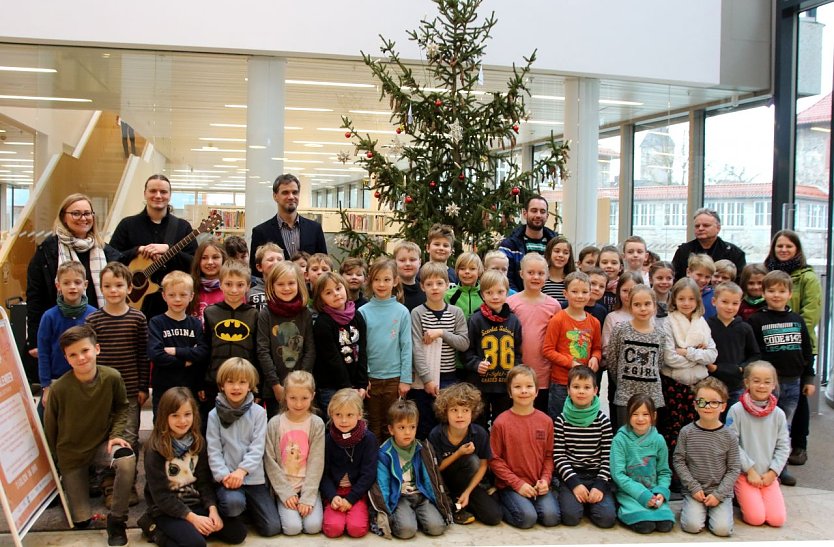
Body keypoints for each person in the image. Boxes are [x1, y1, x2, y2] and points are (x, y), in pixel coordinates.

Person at [44, 325, 136, 546]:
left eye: (84, 351)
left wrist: (115, 434)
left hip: (101, 446)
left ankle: (117, 520)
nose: (81, 358)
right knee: (81, 520)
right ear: (66, 359)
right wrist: (56, 466)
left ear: (97, 349)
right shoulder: (59, 389)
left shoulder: (112, 377)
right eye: (73, 355)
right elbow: (50, 429)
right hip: (71, 455)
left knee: (126, 459)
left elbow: (123, 407)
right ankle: (82, 483)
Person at [142, 387, 247, 547]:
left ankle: (190, 529)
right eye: (175, 415)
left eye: (187, 414)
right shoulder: (154, 449)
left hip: (194, 503)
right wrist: (192, 519)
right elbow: (161, 496)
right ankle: (154, 530)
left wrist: (212, 510)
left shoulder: (198, 442)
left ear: (194, 414)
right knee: (196, 544)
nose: (182, 421)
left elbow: (204, 482)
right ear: (164, 417)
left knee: (238, 533)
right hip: (167, 509)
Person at [85, 262, 149, 506]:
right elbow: (90, 358)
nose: (113, 290)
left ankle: (128, 484)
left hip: (130, 391)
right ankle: (108, 484)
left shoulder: (137, 318)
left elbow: (143, 355)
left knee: (129, 437)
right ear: (100, 288)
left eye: (119, 285)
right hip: (101, 393)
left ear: (129, 287)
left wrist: (143, 387)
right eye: (108, 286)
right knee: (104, 437)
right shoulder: (94, 320)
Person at [27, 193, 121, 357]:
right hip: (60, 332)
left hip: (99, 334)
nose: (83, 218)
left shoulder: (106, 251)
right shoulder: (48, 251)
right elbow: (35, 297)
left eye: (87, 213)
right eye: (76, 213)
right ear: (64, 217)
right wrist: (36, 341)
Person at [747, 270, 815, 486]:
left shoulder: (797, 320)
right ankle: (759, 466)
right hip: (767, 385)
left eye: (781, 291)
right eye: (771, 290)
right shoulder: (757, 320)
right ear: (764, 292)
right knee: (764, 426)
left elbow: (806, 351)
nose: (776, 295)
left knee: (784, 427)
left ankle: (780, 468)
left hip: (793, 382)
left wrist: (809, 378)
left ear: (789, 293)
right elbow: (754, 353)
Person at [764, 229, 822, 468]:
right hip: (771, 346)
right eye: (780, 246)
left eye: (788, 246)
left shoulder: (807, 277)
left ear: (797, 249)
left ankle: (798, 444)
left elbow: (811, 312)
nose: (784, 250)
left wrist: (790, 330)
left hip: (798, 343)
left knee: (798, 400)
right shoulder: (768, 272)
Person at [206, 358, 281, 537]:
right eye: (230, 382)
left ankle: (248, 509)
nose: (236, 387)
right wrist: (225, 476)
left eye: (242, 382)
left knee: (272, 528)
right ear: (222, 385)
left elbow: (258, 447)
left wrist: (242, 471)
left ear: (250, 385)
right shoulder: (214, 415)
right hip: (227, 479)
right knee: (233, 505)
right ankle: (233, 508)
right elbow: (214, 450)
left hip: (253, 478)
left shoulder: (259, 413)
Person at [110, 174, 196, 319]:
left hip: (174, 305)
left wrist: (169, 250)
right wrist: (136, 251)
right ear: (145, 193)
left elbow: (194, 262)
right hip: (134, 303)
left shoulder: (183, 227)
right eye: (153, 191)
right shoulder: (127, 225)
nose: (158, 195)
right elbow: (111, 259)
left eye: (163, 192)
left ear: (170, 195)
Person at [489, 366, 560, 529]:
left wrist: (545, 480)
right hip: (511, 485)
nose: (524, 391)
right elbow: (494, 459)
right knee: (527, 519)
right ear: (509, 392)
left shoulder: (546, 421)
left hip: (537, 482)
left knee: (551, 518)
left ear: (536, 391)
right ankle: (502, 501)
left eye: (529, 386)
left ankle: (530, 502)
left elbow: (549, 456)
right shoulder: (501, 423)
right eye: (517, 387)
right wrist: (517, 484)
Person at [673, 377, 740, 537]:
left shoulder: (729, 435)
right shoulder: (687, 432)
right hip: (695, 492)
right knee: (692, 526)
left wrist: (718, 495)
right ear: (695, 405)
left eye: (713, 402)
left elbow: (734, 468)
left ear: (723, 406)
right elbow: (679, 461)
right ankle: (695, 509)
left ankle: (714, 510)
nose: (707, 407)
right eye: (702, 402)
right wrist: (693, 488)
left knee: (722, 530)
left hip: (720, 492)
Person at [429, 383, 503, 526]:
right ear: (445, 412)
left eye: (465, 410)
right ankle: (453, 504)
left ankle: (464, 500)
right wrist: (459, 453)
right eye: (454, 410)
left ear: (472, 412)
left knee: (494, 517)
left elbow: (483, 466)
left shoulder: (479, 433)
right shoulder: (436, 434)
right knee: (470, 460)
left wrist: (468, 492)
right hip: (442, 483)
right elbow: (435, 469)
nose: (460, 415)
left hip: (468, 483)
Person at [726, 361, 790, 527]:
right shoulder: (736, 410)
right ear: (747, 383)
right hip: (746, 474)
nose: (762, 386)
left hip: (768, 475)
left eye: (767, 382)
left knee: (777, 520)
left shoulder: (779, 414)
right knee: (756, 519)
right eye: (756, 381)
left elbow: (784, 446)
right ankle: (741, 496)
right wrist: (750, 470)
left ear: (774, 384)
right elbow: (732, 443)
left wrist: (773, 472)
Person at [376, 399, 452, 539]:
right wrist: (385, 513)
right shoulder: (384, 453)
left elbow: (432, 479)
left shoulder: (422, 448)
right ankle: (408, 519)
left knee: (437, 528)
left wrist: (441, 503)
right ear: (391, 429)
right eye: (402, 427)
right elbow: (383, 486)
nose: (408, 432)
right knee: (406, 531)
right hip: (400, 498)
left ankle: (416, 517)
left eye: (412, 427)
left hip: (421, 495)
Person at [409, 262, 469, 439]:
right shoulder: (417, 313)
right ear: (422, 286)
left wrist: (441, 333)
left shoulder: (456, 313)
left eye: (439, 283)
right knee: (424, 425)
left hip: (448, 377)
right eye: (429, 284)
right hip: (423, 380)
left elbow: (464, 343)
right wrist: (427, 379)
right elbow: (416, 348)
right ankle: (425, 463)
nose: (434, 288)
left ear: (447, 285)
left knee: (445, 425)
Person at [553, 366, 616, 528]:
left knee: (606, 519)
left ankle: (591, 501)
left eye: (586, 387)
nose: (581, 392)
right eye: (576, 387)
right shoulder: (561, 421)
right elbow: (559, 456)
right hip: (572, 476)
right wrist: (575, 484)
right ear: (568, 390)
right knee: (570, 518)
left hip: (596, 476)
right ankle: (578, 501)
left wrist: (600, 486)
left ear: (595, 390)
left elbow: (608, 456)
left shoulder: (603, 421)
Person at [659, 278, 717, 456]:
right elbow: (670, 358)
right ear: (674, 299)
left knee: (697, 427)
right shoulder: (668, 322)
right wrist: (699, 356)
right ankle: (674, 475)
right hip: (674, 383)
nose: (686, 303)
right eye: (681, 298)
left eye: (691, 299)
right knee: (674, 429)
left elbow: (712, 354)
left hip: (698, 383)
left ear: (697, 300)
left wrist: (687, 352)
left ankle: (695, 470)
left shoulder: (701, 322)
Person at [264, 371, 325, 535]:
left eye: (304, 398)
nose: (298, 404)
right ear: (285, 396)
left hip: (307, 487)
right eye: (293, 398)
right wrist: (285, 493)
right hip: (285, 488)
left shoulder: (316, 424)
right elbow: (270, 461)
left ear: (312, 396)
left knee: (313, 527)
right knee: (292, 528)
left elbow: (316, 461)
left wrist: (308, 496)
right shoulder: (275, 423)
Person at [359, 257, 413, 442]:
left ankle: (389, 464)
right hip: (371, 379)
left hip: (394, 379)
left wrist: (405, 379)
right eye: (377, 279)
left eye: (387, 279)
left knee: (391, 424)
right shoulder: (363, 312)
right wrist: (363, 377)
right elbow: (361, 348)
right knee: (373, 424)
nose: (381, 284)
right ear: (369, 281)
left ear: (395, 281)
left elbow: (406, 346)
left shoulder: (402, 312)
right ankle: (373, 467)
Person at [200, 260, 259, 425]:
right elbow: (206, 348)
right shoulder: (211, 312)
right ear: (221, 285)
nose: (234, 290)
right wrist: (201, 383)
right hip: (214, 380)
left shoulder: (254, 314)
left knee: (244, 425)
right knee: (213, 424)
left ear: (248, 286)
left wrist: (258, 385)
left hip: (245, 381)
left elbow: (257, 351)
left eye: (240, 285)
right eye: (229, 284)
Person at [463, 270, 523, 427]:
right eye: (489, 292)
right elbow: (466, 351)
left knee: (502, 423)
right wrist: (476, 364)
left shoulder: (514, 320)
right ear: (482, 295)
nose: (495, 297)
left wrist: (514, 370)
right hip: (480, 384)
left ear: (507, 293)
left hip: (504, 385)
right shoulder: (475, 320)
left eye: (500, 292)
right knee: (479, 423)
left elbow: (517, 352)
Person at [37, 261, 97, 416]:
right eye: (66, 283)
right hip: (56, 380)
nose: (72, 287)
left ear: (85, 284)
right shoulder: (49, 317)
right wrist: (46, 386)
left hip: (87, 381)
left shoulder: (94, 315)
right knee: (46, 421)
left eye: (77, 282)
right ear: (58, 286)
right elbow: (43, 353)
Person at [609, 394, 675, 534]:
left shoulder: (658, 440)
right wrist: (642, 494)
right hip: (630, 493)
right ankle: (624, 510)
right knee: (645, 526)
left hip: (653, 492)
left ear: (654, 415)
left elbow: (664, 471)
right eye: (635, 414)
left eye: (645, 414)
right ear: (628, 415)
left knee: (665, 524)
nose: (640, 419)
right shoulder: (620, 440)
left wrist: (660, 492)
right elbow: (618, 474)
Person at [256, 261, 315, 417]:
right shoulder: (265, 314)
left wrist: (300, 383)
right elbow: (263, 351)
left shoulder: (305, 313)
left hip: (301, 388)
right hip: (274, 388)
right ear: (271, 286)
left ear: (299, 284)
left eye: (291, 283)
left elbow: (310, 349)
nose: (286, 288)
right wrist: (276, 385)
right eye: (280, 284)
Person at [147, 271, 208, 417]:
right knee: (163, 424)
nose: (177, 299)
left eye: (183, 295)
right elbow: (156, 354)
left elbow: (202, 352)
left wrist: (175, 351)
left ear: (191, 296)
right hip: (164, 385)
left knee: (189, 423)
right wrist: (185, 362)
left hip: (189, 385)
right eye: (172, 295)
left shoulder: (195, 323)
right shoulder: (156, 322)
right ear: (164, 296)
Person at [542, 271, 602, 419]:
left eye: (584, 292)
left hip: (585, 383)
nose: (580, 296)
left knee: (583, 420)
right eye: (574, 291)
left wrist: (595, 358)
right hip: (562, 383)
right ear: (565, 293)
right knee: (560, 420)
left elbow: (597, 348)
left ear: (590, 294)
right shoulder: (558, 320)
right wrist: (571, 363)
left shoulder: (594, 322)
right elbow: (548, 350)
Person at [605, 285, 666, 427]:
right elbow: (613, 361)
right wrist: (622, 382)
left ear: (654, 306)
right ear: (630, 306)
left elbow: (659, 363)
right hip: (625, 397)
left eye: (647, 304)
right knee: (625, 438)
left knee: (647, 440)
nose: (643, 308)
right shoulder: (621, 329)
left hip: (652, 397)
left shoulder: (660, 334)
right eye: (637, 304)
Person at [507, 253, 561, 412]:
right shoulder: (510, 303)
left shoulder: (554, 305)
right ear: (521, 274)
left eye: (540, 273)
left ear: (547, 275)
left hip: (543, 374)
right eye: (530, 273)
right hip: (515, 370)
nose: (535, 277)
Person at [321, 389, 378, 538]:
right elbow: (323, 474)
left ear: (359, 415)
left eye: (349, 415)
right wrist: (332, 496)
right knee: (333, 529)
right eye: (338, 415)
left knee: (357, 529)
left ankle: (358, 510)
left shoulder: (369, 439)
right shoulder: (327, 440)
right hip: (335, 493)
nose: (343, 420)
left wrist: (351, 498)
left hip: (357, 493)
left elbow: (369, 474)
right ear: (331, 415)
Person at [311, 272, 368, 411]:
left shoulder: (357, 315)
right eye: (328, 292)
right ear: (321, 299)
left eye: (338, 288)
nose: (336, 294)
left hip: (355, 385)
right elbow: (332, 359)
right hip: (331, 387)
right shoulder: (323, 323)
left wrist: (362, 384)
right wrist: (348, 388)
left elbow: (362, 350)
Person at [249, 173, 327, 274]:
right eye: (285, 193)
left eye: (295, 192)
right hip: (275, 288)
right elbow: (256, 272)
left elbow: (324, 263)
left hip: (308, 288)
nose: (291, 197)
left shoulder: (314, 228)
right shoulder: (261, 232)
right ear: (275, 196)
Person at [706, 281, 760, 413]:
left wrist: (742, 368)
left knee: (734, 420)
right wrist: (709, 366)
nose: (729, 307)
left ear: (740, 304)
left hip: (736, 385)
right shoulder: (705, 326)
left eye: (735, 303)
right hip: (712, 384)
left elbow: (755, 354)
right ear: (714, 301)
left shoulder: (745, 328)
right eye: (724, 302)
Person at [498, 195, 557, 291]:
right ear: (525, 214)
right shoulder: (509, 246)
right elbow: (504, 278)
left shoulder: (556, 245)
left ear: (547, 216)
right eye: (534, 211)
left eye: (542, 212)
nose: (538, 215)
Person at [671, 208, 746, 281]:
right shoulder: (683, 251)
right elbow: (674, 278)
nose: (700, 228)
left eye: (706, 225)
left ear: (718, 228)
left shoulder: (734, 253)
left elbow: (740, 283)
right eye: (697, 226)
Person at [190, 239, 227, 323]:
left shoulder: (232, 289)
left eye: (215, 257)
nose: (210, 262)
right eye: (204, 258)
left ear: (223, 259)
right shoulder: (189, 287)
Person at [444, 251, 484, 319]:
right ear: (457, 271)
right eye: (462, 268)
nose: (467, 272)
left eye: (472, 269)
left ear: (479, 271)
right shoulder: (449, 295)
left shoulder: (485, 294)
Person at [248, 242, 284, 310]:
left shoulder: (289, 290)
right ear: (259, 267)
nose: (276, 262)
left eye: (279, 259)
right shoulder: (250, 292)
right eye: (270, 260)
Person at [393, 240, 426, 311]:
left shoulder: (426, 291)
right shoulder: (390, 291)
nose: (408, 264)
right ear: (395, 262)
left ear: (419, 263)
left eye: (412, 260)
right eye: (402, 260)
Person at [542, 235, 575, 301]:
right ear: (549, 253)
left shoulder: (573, 281)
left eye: (565, 253)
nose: (561, 255)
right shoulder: (541, 279)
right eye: (557, 251)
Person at [686, 254, 717, 319]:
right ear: (688, 272)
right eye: (699, 275)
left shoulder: (714, 296)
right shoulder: (679, 294)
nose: (703, 280)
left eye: (707, 277)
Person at [596, 245, 623, 312]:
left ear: (620, 268)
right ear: (598, 266)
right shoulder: (591, 286)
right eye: (604, 262)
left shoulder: (624, 286)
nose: (609, 266)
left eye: (614, 263)